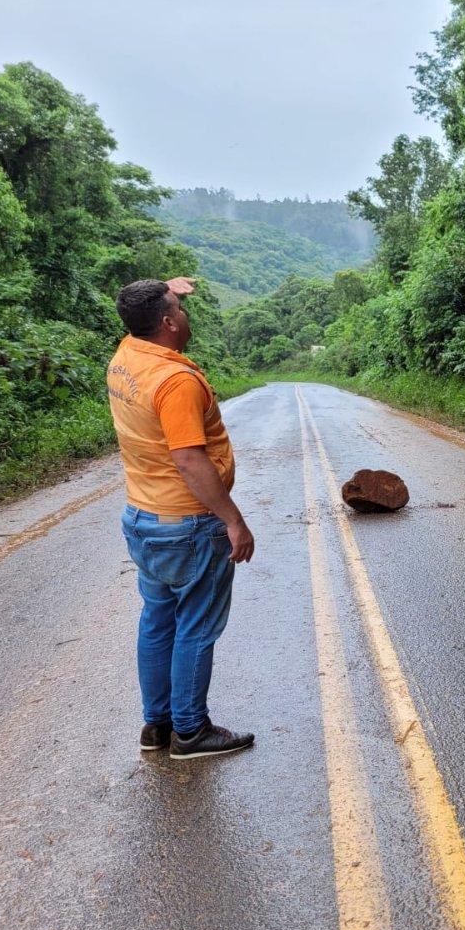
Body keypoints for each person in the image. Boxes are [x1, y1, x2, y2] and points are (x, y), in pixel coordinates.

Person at [107, 277, 256, 759]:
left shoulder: (128, 354)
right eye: (179, 309)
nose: (186, 315)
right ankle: (191, 732)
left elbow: (139, 305)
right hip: (187, 525)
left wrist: (163, 287)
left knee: (158, 620)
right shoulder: (176, 382)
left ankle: (158, 725)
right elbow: (191, 459)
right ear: (169, 324)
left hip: (143, 517)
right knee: (196, 626)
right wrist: (232, 520)